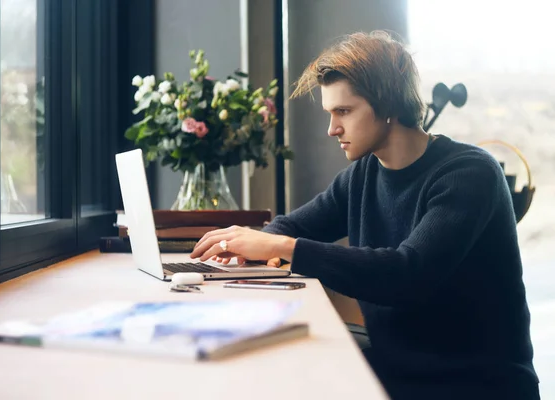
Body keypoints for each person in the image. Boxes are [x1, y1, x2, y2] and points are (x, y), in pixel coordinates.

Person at [190, 30, 540, 399]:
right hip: (395, 374)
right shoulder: (363, 174)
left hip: (475, 386)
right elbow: (292, 226)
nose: (332, 129)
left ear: (387, 104)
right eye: (330, 113)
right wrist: (250, 246)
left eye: (343, 111)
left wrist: (283, 245)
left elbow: (407, 273)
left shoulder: (470, 174)